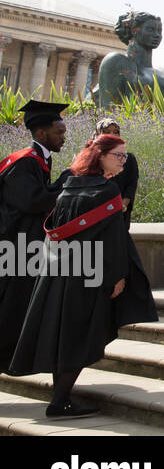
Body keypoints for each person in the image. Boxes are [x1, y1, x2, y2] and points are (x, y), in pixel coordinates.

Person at [7, 133, 157, 417]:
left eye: (126, 156)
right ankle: (59, 401)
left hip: (60, 273)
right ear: (100, 156)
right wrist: (117, 277)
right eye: (119, 155)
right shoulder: (107, 191)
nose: (124, 161)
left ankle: (60, 398)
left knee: (65, 335)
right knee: (81, 337)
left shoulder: (69, 185)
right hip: (90, 278)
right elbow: (113, 241)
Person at [0, 100, 69, 369]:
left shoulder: (38, 160)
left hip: (24, 246)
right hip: (14, 247)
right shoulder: (24, 162)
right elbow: (31, 201)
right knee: (9, 305)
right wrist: (65, 184)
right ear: (42, 133)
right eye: (59, 132)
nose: (64, 137)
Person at [93, 119, 138, 219]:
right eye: (107, 132)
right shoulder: (92, 158)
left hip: (120, 212)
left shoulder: (128, 159)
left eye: (115, 132)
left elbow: (131, 185)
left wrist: (123, 204)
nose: (112, 135)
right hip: (94, 212)